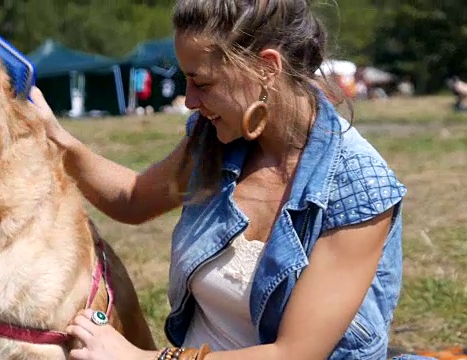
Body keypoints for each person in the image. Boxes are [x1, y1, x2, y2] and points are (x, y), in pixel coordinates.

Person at [29, 1, 428, 359]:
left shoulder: (359, 186)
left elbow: (294, 354)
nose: (189, 101)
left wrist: (137, 359)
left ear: (267, 68)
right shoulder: (214, 139)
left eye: (202, 82)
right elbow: (134, 198)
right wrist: (53, 134)